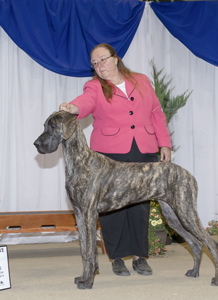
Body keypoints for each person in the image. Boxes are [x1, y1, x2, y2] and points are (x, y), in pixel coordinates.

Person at [59, 43, 171, 277]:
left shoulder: (141, 80)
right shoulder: (94, 86)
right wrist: (73, 107)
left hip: (144, 149)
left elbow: (156, 112)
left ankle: (140, 257)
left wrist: (165, 143)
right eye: (95, 63)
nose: (99, 66)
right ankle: (117, 258)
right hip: (109, 153)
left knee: (140, 206)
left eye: (103, 59)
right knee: (111, 211)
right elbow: (85, 102)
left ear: (116, 59)